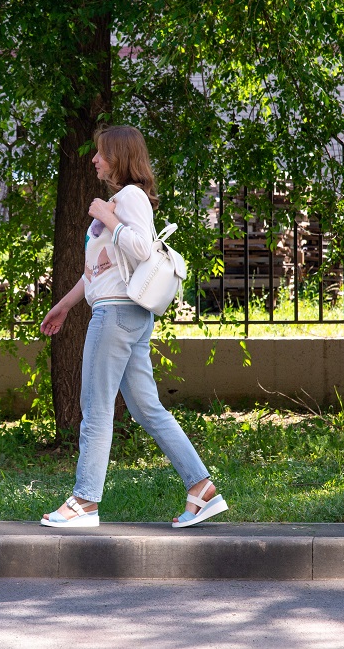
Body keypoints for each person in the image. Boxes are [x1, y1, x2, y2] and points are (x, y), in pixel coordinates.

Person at [39, 125, 228, 529]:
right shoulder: (121, 200)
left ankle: (84, 502)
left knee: (96, 408)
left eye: (101, 153)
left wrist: (108, 217)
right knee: (147, 409)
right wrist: (64, 306)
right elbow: (98, 272)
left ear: (120, 158)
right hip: (126, 314)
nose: (94, 159)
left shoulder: (129, 197)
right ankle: (202, 489)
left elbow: (142, 248)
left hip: (116, 316)